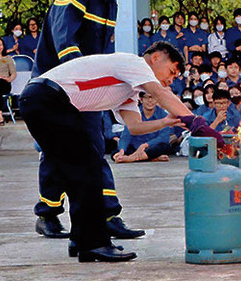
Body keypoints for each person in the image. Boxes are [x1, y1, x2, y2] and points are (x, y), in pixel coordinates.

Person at [19, 43, 223, 262]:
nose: (171, 79)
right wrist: (197, 123)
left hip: (45, 102)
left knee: (81, 170)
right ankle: (94, 244)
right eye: (171, 72)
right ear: (155, 58)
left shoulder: (129, 87)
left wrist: (165, 122)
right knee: (88, 169)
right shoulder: (135, 64)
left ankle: (82, 240)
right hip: (48, 99)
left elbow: (134, 125)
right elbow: (160, 92)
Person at [31, 0, 156, 245]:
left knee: (94, 144)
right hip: (57, 85)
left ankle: (108, 214)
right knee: (62, 147)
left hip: (86, 86)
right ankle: (48, 212)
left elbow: (98, 51)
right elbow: (65, 42)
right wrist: (83, 80)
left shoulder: (109, 0)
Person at [113, 91, 185, 163]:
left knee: (165, 147)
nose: (150, 100)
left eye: (152, 97)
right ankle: (151, 158)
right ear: (141, 99)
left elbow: (163, 137)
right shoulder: (133, 113)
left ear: (157, 100)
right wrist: (121, 151)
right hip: (135, 147)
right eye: (146, 97)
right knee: (115, 153)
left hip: (152, 147)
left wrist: (145, 145)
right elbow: (126, 135)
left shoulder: (163, 115)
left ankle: (132, 158)